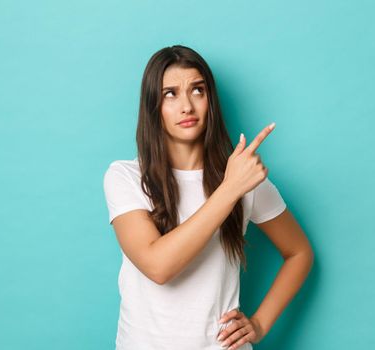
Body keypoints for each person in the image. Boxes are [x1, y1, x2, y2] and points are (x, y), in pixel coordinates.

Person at [103, 45, 314, 350]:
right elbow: (158, 266)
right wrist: (229, 189)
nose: (186, 106)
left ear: (210, 100)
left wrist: (259, 323)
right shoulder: (125, 177)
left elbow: (299, 253)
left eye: (197, 90)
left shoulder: (243, 178)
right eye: (170, 94)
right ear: (153, 106)